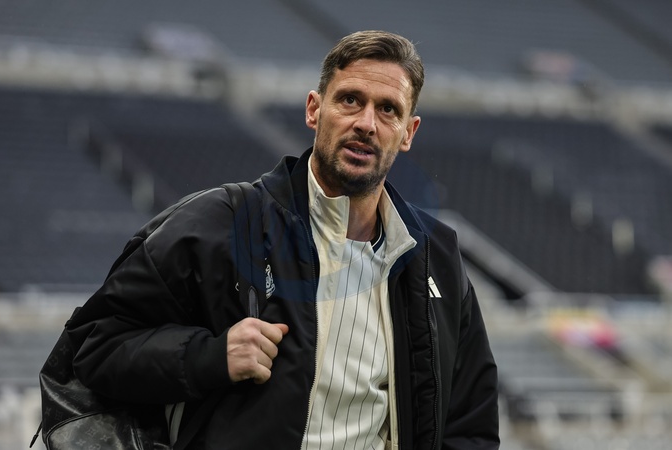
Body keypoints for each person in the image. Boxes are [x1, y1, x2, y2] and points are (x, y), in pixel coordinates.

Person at [67, 30, 499, 449]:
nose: (366, 123)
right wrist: (209, 357)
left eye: (388, 109)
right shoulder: (218, 222)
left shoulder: (436, 255)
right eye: (350, 100)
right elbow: (95, 347)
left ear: (408, 133)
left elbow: (469, 422)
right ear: (314, 110)